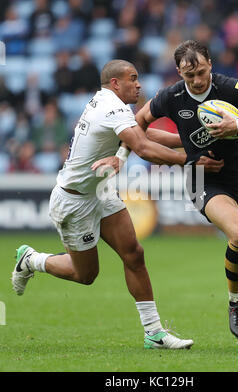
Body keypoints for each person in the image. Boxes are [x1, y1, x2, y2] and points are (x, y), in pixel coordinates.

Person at [104, 41, 238, 349]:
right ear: (179, 73)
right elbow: (138, 124)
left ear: (210, 64)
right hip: (203, 179)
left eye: (201, 72)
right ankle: (235, 305)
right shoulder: (171, 96)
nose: (198, 81)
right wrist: (123, 155)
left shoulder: (231, 88)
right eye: (190, 77)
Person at [11, 59, 202, 350]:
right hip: (74, 202)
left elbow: (143, 135)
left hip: (99, 190)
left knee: (134, 254)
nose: (139, 84)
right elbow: (143, 148)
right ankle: (32, 260)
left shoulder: (113, 105)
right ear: (115, 83)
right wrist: (192, 159)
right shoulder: (111, 107)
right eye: (132, 78)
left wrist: (188, 141)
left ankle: (154, 333)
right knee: (85, 275)